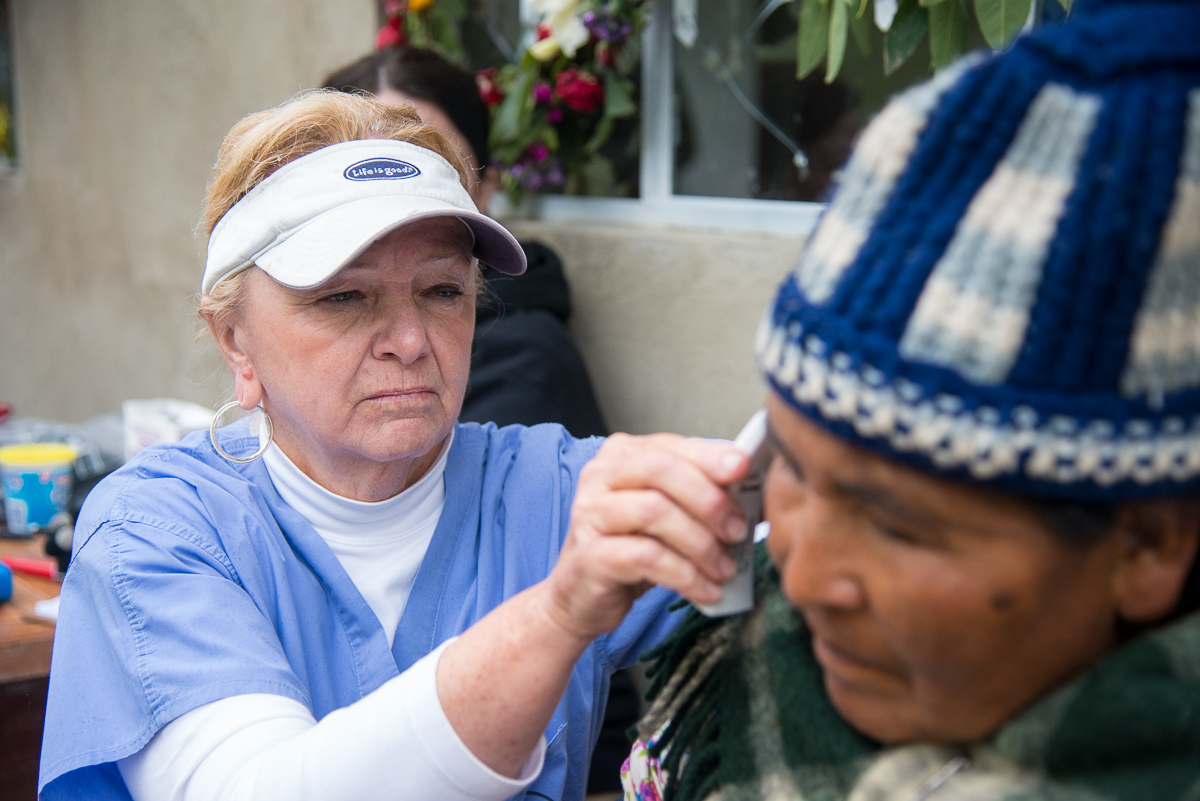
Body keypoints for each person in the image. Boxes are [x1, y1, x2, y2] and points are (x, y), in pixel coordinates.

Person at [38, 92, 755, 801]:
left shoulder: (550, 489)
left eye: (443, 290)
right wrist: (558, 616)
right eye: (343, 297)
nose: (411, 341)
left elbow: (801, 525)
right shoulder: (160, 531)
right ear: (236, 339)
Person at [621, 0, 1200, 798]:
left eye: (897, 521)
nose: (802, 569)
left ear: (1148, 545)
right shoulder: (749, 663)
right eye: (787, 463)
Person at [324, 47, 609, 439]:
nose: (408, 343)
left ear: (486, 188)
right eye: (362, 169)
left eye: (434, 165)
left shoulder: (524, 361)